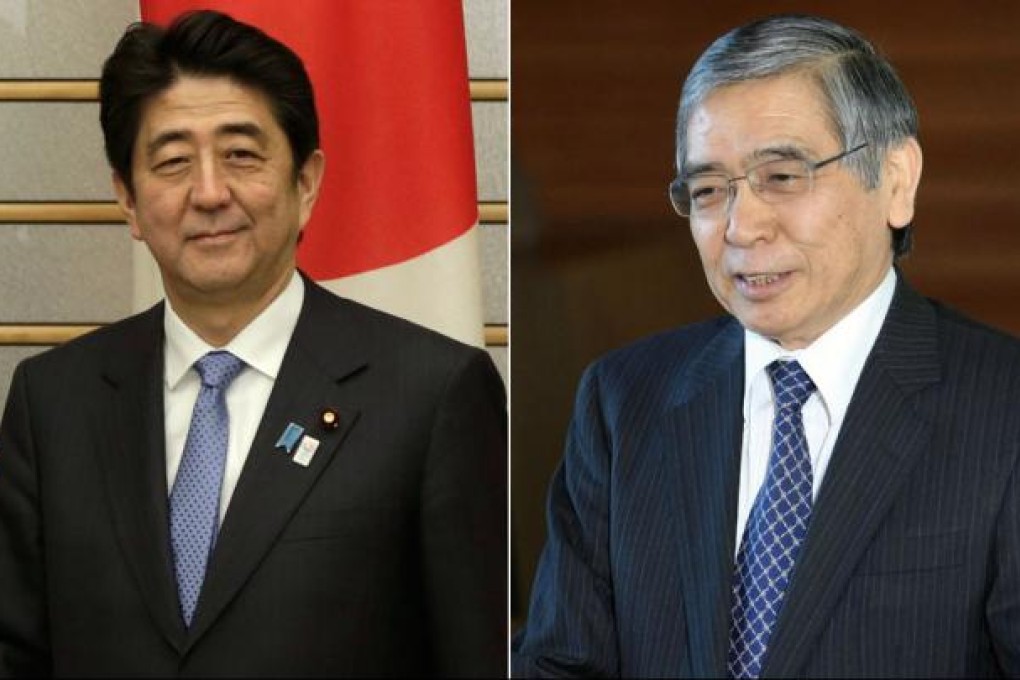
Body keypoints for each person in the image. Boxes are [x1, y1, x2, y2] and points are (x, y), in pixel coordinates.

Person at [512, 13, 1020, 678]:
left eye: (782, 177)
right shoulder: (622, 400)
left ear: (896, 180)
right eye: (708, 190)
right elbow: (561, 663)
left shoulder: (1004, 406)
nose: (741, 226)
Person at [0, 10, 506, 677]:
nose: (210, 193)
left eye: (241, 154)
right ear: (127, 197)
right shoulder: (52, 402)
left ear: (305, 181)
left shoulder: (433, 394)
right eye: (173, 162)